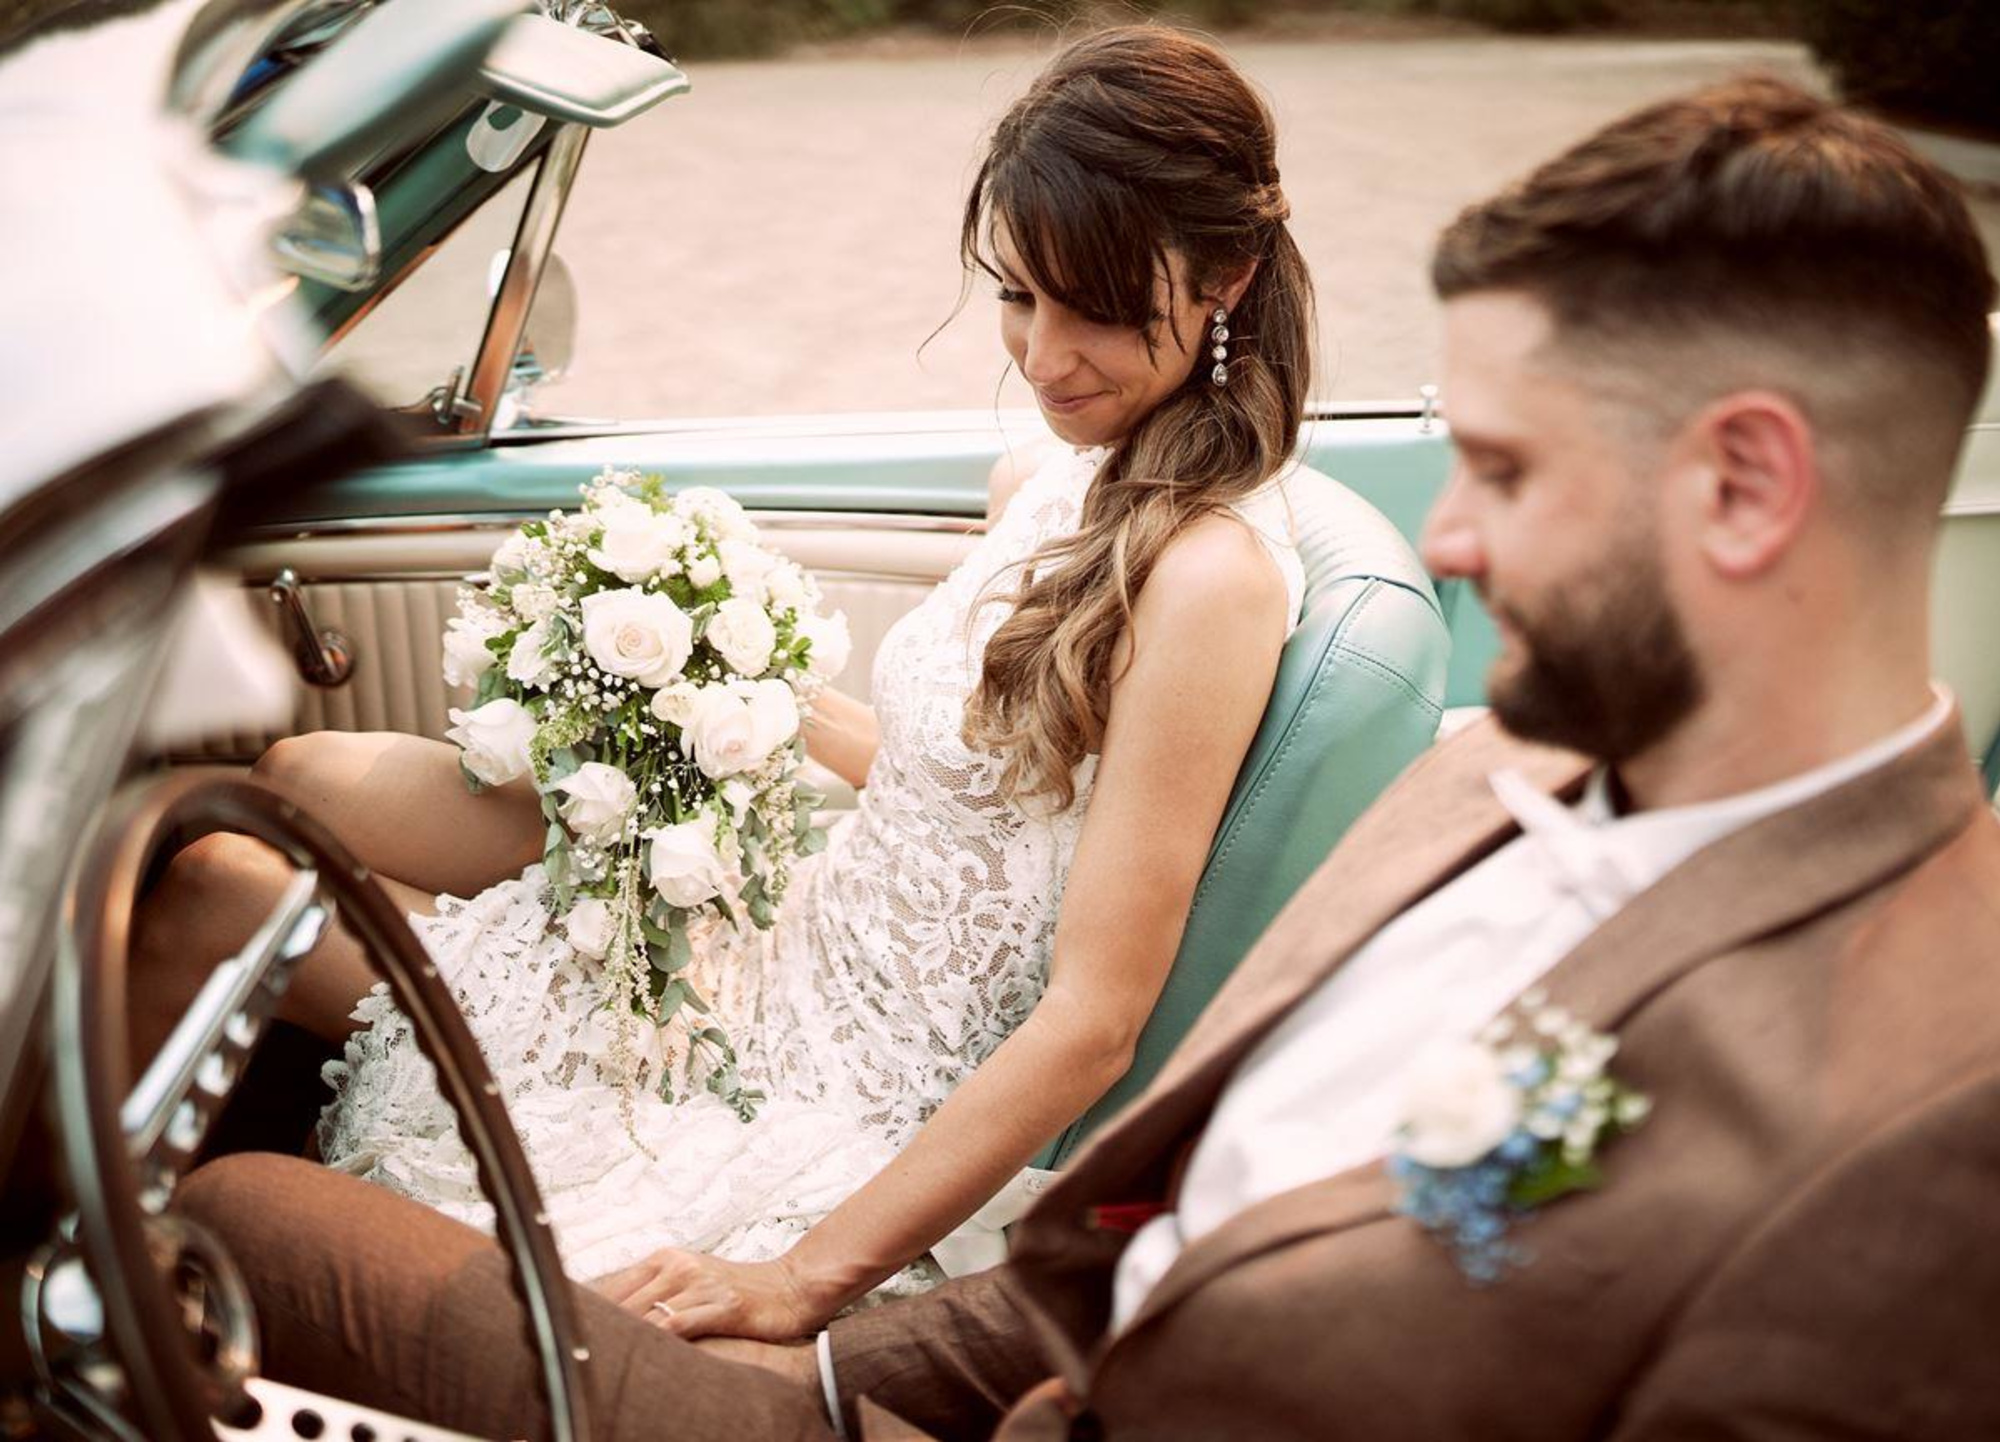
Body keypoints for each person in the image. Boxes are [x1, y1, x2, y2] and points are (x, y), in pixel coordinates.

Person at [180, 72, 2000, 1439]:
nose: (1436, 548)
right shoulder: (1484, 780)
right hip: (936, 1325)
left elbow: (1106, 1045)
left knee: (228, 1200)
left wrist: (796, 1295)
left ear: (1749, 484)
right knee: (224, 927)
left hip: (925, 1327)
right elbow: (1127, 1212)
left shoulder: (1903, 1115)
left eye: (1506, 475)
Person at [145, 25, 1321, 1343]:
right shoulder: (1055, 479)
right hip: (773, 954)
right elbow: (978, 796)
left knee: (209, 889)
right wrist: (738, 681)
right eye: (1015, 296)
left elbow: (1096, 1020)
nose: (1043, 358)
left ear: (1229, 271)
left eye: (1093, 306)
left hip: (827, 1085)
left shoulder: (1211, 577)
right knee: (253, 808)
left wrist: (802, 1273)